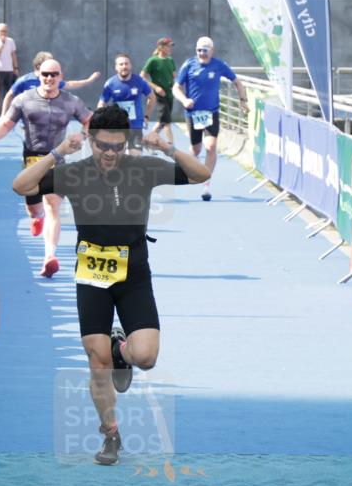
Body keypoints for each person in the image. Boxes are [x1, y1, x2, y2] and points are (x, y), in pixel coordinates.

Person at [12, 105, 209, 465]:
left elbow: (200, 174)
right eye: (103, 146)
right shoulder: (74, 172)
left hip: (134, 272)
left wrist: (165, 147)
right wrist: (57, 153)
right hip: (92, 273)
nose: (110, 154)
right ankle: (111, 434)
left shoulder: (143, 167)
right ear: (90, 141)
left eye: (118, 147)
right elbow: (21, 185)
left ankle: (122, 352)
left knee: (146, 357)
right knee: (96, 362)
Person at [0, 59, 91, 278]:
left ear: (61, 76)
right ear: (38, 73)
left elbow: (90, 120)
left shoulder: (71, 101)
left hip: (57, 158)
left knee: (52, 206)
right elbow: (4, 126)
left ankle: (49, 256)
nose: (49, 78)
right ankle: (35, 217)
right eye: (46, 74)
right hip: (32, 159)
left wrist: (83, 135)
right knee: (36, 209)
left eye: (54, 74)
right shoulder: (23, 99)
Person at [173, 36, 248, 201]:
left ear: (212, 51)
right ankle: (188, 167)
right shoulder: (189, 65)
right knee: (196, 150)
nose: (202, 53)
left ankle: (206, 183)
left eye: (205, 50)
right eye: (199, 50)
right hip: (193, 114)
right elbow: (176, 87)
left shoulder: (219, 65)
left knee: (211, 146)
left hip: (211, 113)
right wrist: (185, 100)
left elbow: (237, 82)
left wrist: (243, 101)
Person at [1, 51, 100, 115]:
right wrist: (3, 115)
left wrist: (88, 80)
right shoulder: (25, 80)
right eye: (49, 63)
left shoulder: (52, 80)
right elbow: (9, 95)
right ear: (39, 65)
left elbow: (70, 84)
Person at [97, 54, 155, 154]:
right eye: (121, 64)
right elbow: (101, 103)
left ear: (130, 65)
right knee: (117, 157)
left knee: (135, 156)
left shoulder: (140, 81)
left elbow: (152, 97)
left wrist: (146, 116)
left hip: (135, 125)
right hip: (118, 126)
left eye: (126, 64)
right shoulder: (110, 83)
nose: (124, 66)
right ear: (116, 67)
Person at [141, 38, 177, 146]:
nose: (170, 48)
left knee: (162, 122)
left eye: (171, 46)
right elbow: (142, 77)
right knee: (166, 121)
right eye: (168, 46)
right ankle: (171, 145)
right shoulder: (153, 60)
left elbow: (174, 76)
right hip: (159, 95)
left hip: (169, 95)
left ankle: (147, 141)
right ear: (160, 47)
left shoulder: (170, 60)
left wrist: (174, 85)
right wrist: (156, 88)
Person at [0, 23, 18, 116]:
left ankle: (7, 112)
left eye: (5, 31)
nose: (3, 33)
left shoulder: (11, 41)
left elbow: (13, 55)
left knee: (9, 92)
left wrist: (16, 67)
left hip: (9, 70)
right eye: (1, 31)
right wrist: (1, 44)